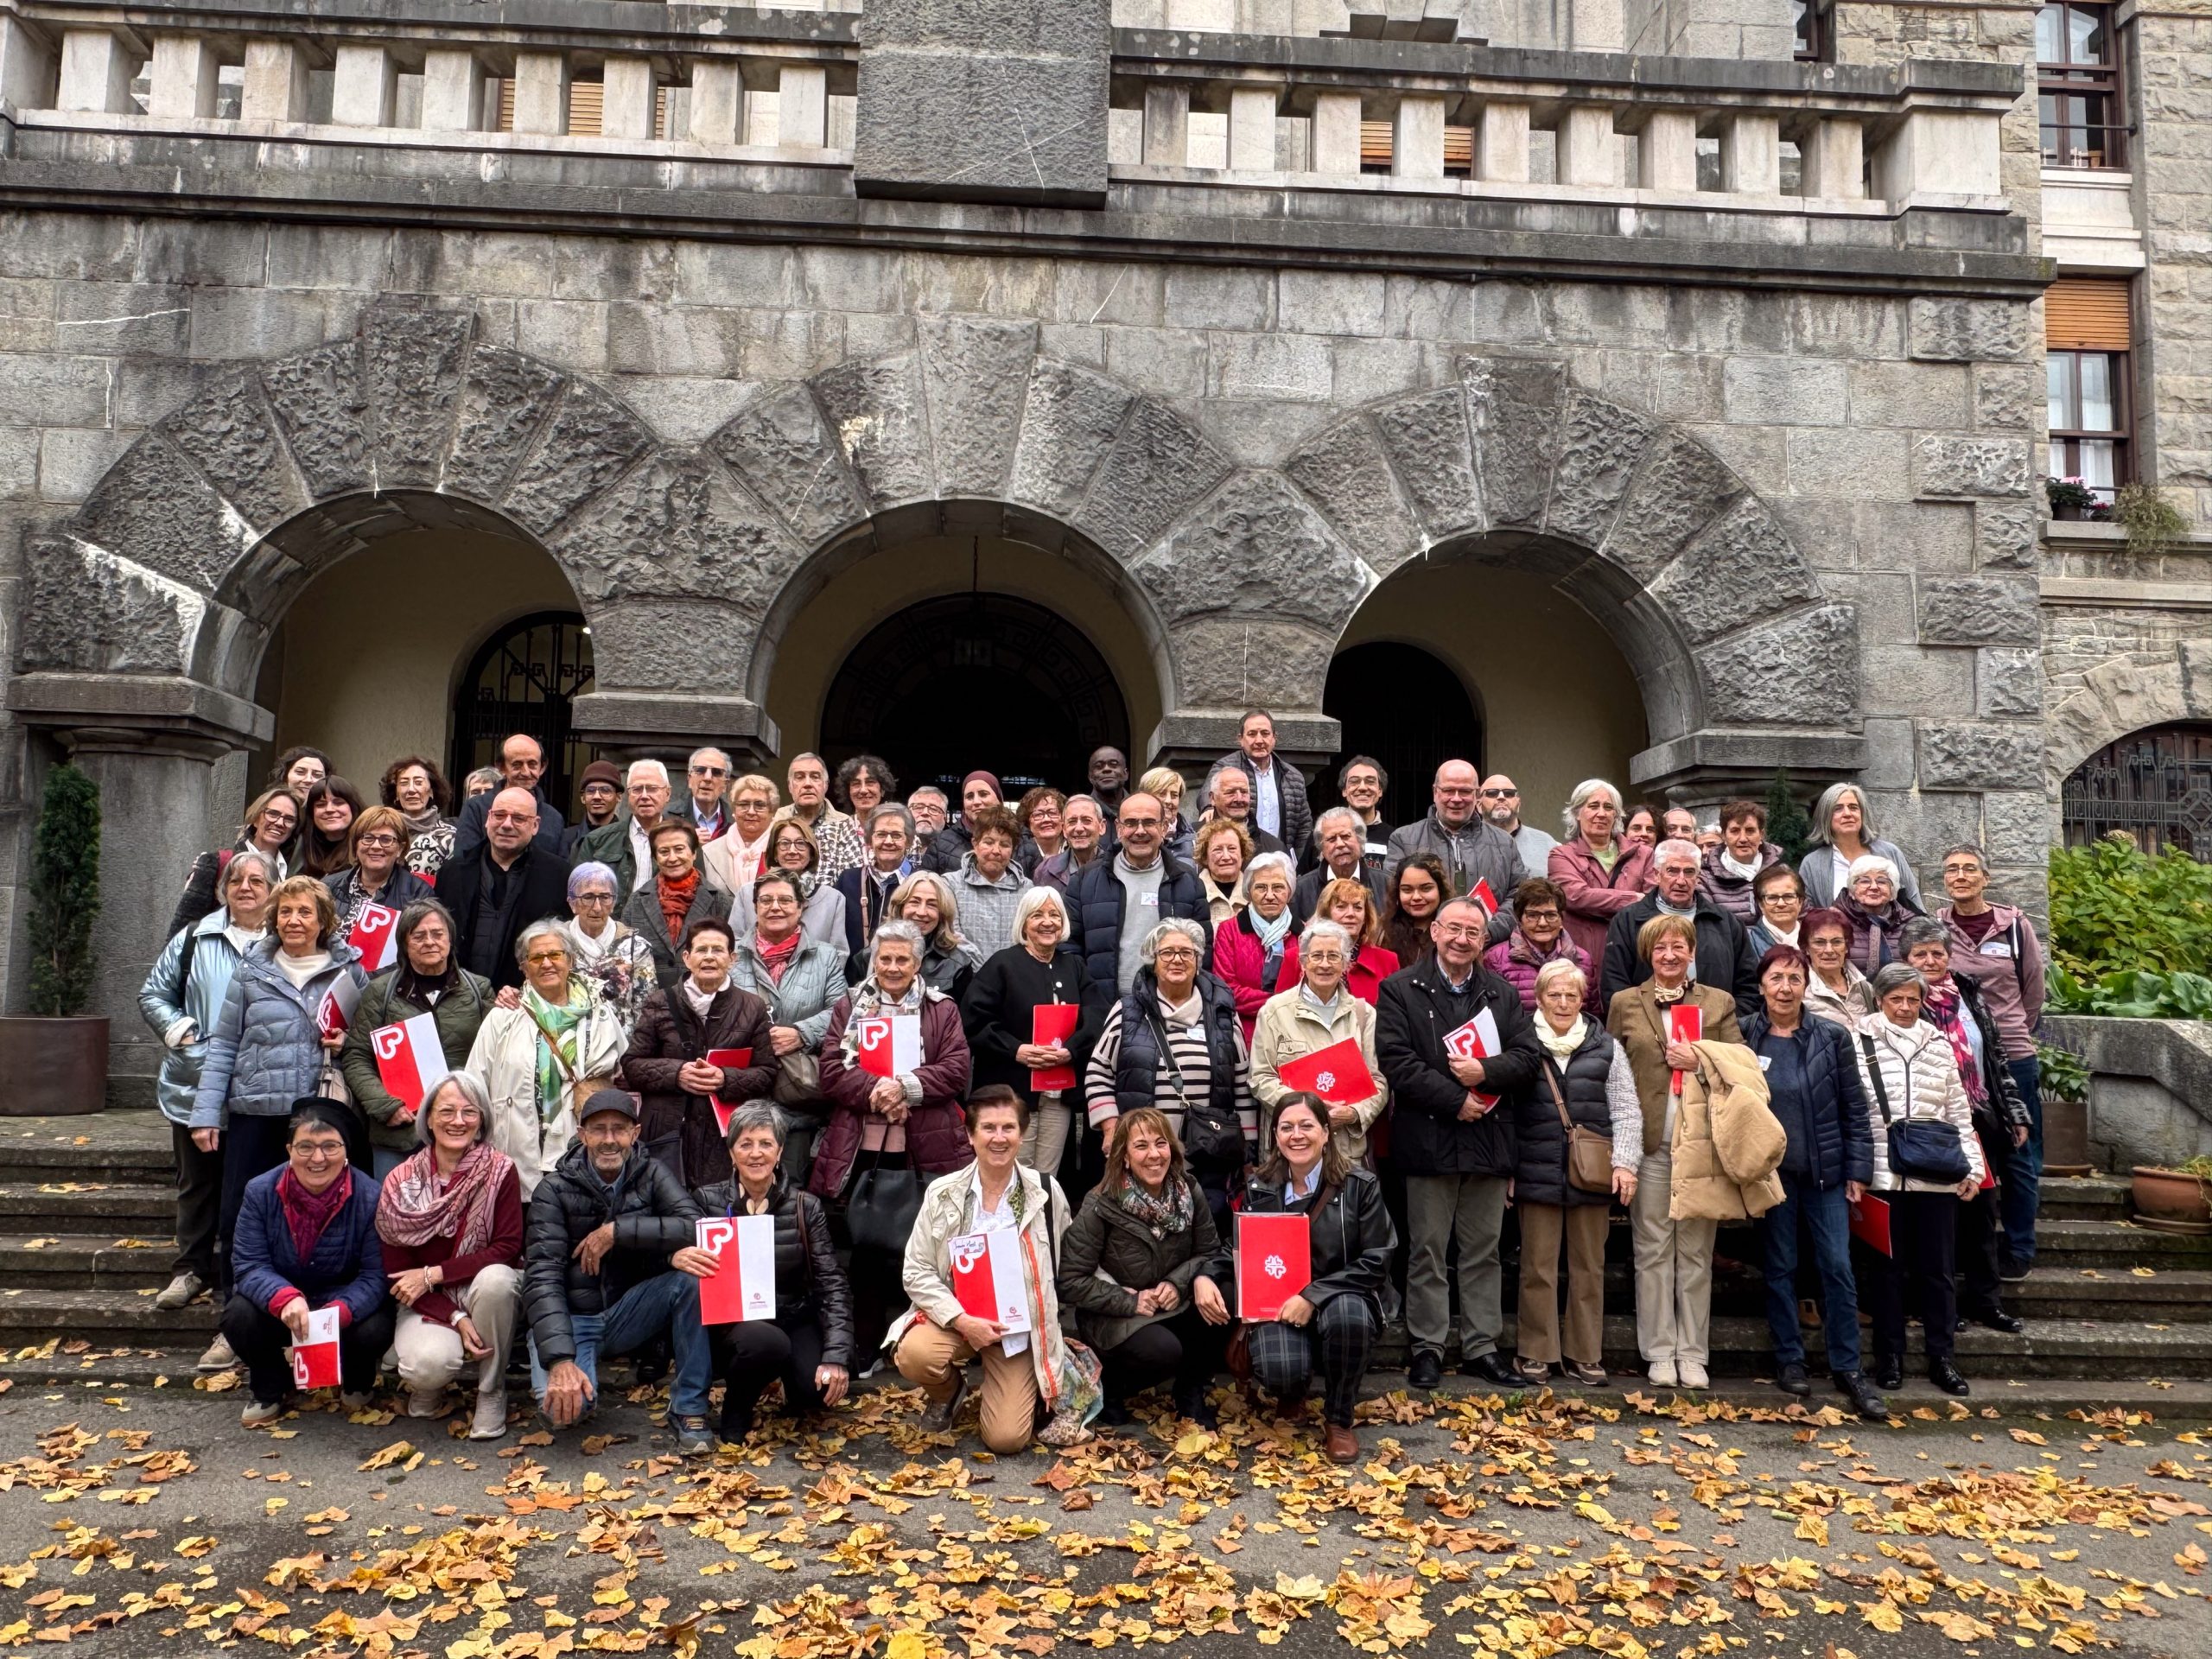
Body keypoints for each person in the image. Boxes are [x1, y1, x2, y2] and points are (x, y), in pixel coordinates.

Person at [190, 874, 370, 1363]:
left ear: (323, 920)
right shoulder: (251, 971)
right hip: (254, 1113)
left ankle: (318, 1324)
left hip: (317, 1117)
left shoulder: (350, 972)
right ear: (274, 917)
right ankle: (236, 1325)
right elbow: (224, 1043)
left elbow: (371, 1041)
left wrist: (345, 1042)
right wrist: (207, 1112)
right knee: (237, 1219)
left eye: (305, 912)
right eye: (286, 911)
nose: (294, 920)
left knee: (321, 1222)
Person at [1375, 897, 1539, 1389]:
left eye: (1473, 931)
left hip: (1489, 1141)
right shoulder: (1399, 988)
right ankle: (1427, 1346)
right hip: (1428, 1139)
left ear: (1484, 941)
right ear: (1435, 932)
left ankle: (1481, 1348)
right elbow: (1396, 1061)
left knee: (1483, 1250)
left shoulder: (1502, 994)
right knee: (1426, 1249)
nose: (1462, 939)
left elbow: (1529, 1058)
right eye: (1454, 929)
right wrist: (1454, 1099)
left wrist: (1484, 1073)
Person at [892, 1088, 1090, 1450]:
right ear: (971, 1136)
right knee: (915, 1355)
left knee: (1006, 1440)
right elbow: (916, 1270)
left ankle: (1011, 1390)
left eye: (1008, 1128)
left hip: (1017, 1331)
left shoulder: (1046, 1192)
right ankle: (949, 1394)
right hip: (958, 1321)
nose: (999, 1138)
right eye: (988, 1128)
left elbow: (1074, 1260)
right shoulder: (942, 1192)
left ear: (1022, 1134)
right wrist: (962, 1320)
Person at [523, 1087, 717, 1453]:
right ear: (582, 1136)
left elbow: (695, 1226)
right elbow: (542, 1278)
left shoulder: (651, 1172)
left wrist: (618, 1232)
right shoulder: (553, 1190)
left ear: (635, 1133)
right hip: (573, 1321)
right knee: (567, 1412)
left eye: (619, 1129)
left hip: (630, 1311)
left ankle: (690, 1407)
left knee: (692, 1278)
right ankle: (565, 1369)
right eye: (598, 1129)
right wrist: (560, 1359)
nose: (609, 1140)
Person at [812, 922, 976, 1356]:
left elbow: (956, 1070)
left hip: (926, 1148)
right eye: (885, 958)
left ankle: (912, 1344)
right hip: (864, 1145)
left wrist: (905, 1088)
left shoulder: (942, 1009)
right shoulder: (850, 1005)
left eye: (903, 959)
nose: (893, 967)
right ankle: (865, 1345)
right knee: (867, 1246)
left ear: (918, 963)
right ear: (873, 960)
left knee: (920, 1248)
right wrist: (879, 1094)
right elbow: (831, 1072)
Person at [1739, 946, 1885, 1420]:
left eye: (1794, 979)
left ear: (1806, 985)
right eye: (1776, 978)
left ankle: (1848, 1368)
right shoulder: (1744, 1035)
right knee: (1779, 1267)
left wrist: (1858, 1170)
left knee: (1837, 1267)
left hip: (1826, 1172)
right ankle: (1790, 1359)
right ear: (1762, 985)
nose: (1785, 988)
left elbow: (1854, 1106)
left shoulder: (1831, 1035)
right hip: (1771, 1175)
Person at [1605, 913, 1745, 1390]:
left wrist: (1700, 1058)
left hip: (1700, 1148)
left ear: (1691, 953)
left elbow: (1742, 1069)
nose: (1669, 955)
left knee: (1696, 1253)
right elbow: (1613, 1076)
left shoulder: (1719, 1003)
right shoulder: (1625, 1003)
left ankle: (1693, 1353)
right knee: (1651, 1249)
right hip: (1651, 1146)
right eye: (1660, 947)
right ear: (1648, 954)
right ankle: (1659, 1352)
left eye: (1678, 947)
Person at [141, 849, 276, 1314]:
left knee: (248, 1187)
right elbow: (154, 993)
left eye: (257, 881)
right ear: (224, 889)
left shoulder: (284, 942)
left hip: (259, 1087)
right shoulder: (196, 937)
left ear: (273, 890)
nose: (245, 888)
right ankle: (189, 1270)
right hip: (195, 1080)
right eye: (236, 880)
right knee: (197, 1182)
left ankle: (241, 1275)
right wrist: (181, 1032)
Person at [1235, 1092, 1395, 1464]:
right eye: (1286, 1127)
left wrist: (1313, 1294)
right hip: (1280, 1301)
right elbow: (1239, 1248)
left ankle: (1339, 1419)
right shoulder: (1259, 1187)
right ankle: (1292, 1394)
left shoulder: (1360, 1185)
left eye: (1307, 1126)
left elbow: (1378, 1258)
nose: (1297, 1135)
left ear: (1326, 1132)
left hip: (1344, 1296)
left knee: (1348, 1315)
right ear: (1275, 1136)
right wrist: (1207, 1277)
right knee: (1280, 1368)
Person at [1851, 961, 1986, 1397]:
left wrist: (1974, 1167)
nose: (1906, 1007)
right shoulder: (1858, 1040)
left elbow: (1958, 1112)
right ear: (1880, 1000)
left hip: (1936, 1174)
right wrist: (1857, 1170)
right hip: (1883, 1175)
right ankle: (1888, 1357)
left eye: (1913, 999)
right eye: (1897, 999)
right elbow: (1854, 1113)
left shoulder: (1939, 1044)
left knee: (1939, 1272)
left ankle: (1941, 1356)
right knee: (1886, 1272)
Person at [221, 1103, 394, 1425]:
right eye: (306, 1147)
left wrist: (340, 1310)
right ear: (289, 1150)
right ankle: (270, 1388)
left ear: (346, 1151)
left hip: (342, 1299)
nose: (318, 1158)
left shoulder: (371, 1195)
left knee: (377, 1325)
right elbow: (247, 1263)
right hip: (283, 1300)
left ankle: (357, 1381)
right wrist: (284, 1297)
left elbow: (376, 1274)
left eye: (330, 1146)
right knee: (238, 1313)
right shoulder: (260, 1191)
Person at [1897, 918, 2030, 1338]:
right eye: (1921, 954)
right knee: (1937, 1223)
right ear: (1906, 960)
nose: (1931, 961)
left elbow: (1995, 1056)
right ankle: (1939, 1306)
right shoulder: (1901, 1002)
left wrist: (2013, 1110)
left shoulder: (1969, 993)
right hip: (1928, 1125)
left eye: (1938, 953)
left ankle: (1987, 1302)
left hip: (1978, 1119)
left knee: (1981, 1217)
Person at [1511, 958, 1640, 1386]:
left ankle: (1585, 1353)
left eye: (1572, 994)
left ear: (1583, 998)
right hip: (1536, 1169)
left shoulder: (1605, 1045)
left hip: (1593, 1173)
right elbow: (1508, 1112)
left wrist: (1625, 1163)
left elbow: (1625, 1109)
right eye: (1554, 994)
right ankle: (1535, 1351)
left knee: (1589, 1267)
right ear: (1540, 997)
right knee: (1537, 1267)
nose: (1563, 1002)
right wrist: (1508, 1169)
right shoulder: (1522, 1042)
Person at [1058, 1107, 1230, 1425]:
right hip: (1115, 1312)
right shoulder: (1101, 1204)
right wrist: (1131, 1300)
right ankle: (1111, 1389)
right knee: (1161, 1351)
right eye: (1141, 1146)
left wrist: (1178, 1284)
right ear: (1124, 1156)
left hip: (1171, 1302)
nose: (1154, 1155)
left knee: (1225, 1293)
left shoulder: (1188, 1190)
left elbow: (1210, 1251)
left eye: (1161, 1144)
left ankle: (1190, 1392)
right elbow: (1069, 1280)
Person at [693, 1104, 854, 1441]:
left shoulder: (804, 1206)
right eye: (745, 1144)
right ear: (731, 1151)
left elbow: (832, 1283)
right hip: (735, 1326)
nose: (756, 1154)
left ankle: (790, 1382)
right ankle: (737, 1407)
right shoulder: (705, 1202)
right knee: (766, 1343)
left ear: (780, 1150)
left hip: (793, 1315)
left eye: (766, 1144)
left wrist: (836, 1356)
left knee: (817, 1393)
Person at [377, 1071, 523, 1438]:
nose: (458, 1121)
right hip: (430, 1301)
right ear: (428, 1117)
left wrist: (434, 1273)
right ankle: (430, 1382)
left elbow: (507, 1247)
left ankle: (491, 1390)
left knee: (498, 1280)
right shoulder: (399, 1180)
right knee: (427, 1365)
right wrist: (454, 1315)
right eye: (446, 1111)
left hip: (481, 1292)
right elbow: (398, 1273)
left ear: (482, 1120)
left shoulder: (500, 1171)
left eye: (469, 1112)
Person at [1084, 918, 1255, 1222]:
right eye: (1167, 953)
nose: (1177, 959)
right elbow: (1098, 1072)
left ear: (1198, 961)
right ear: (1153, 961)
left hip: (1208, 1160)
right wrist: (1111, 1128)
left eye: (1186, 953)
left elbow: (1242, 1085)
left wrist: (1248, 1151)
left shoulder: (1223, 1014)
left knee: (1204, 1235)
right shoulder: (1128, 1011)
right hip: (1141, 1157)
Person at [1936, 843, 2047, 1279]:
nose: (1960, 876)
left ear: (1985, 877)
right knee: (1965, 1150)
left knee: (2020, 1153)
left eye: (1969, 869)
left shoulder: (2014, 926)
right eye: (1952, 870)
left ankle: (2019, 1248)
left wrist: (2007, 1030)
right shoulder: (1937, 927)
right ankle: (1968, 1249)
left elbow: (2033, 990)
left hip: (2012, 1056)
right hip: (1958, 1055)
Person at [465, 918, 626, 1195]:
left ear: (571, 960)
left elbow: (620, 1073)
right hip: (515, 1155)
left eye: (555, 954)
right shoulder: (503, 1016)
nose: (547, 963)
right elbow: (473, 1086)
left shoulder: (599, 1013)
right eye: (536, 957)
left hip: (579, 1154)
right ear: (523, 968)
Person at [340, 899, 492, 1178]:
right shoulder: (379, 993)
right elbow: (356, 1056)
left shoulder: (478, 990)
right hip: (399, 1133)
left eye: (437, 934)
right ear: (404, 944)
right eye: (418, 936)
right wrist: (386, 1107)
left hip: (462, 1129)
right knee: (395, 1217)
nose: (430, 942)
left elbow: (498, 1056)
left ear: (450, 939)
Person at [623, 918, 778, 1190]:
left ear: (732, 958)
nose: (709, 957)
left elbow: (767, 1072)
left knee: (718, 1211)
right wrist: (677, 1074)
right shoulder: (660, 1002)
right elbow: (632, 1065)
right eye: (701, 950)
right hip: (668, 1133)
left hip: (725, 1135)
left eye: (717, 950)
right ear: (687, 957)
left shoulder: (752, 1007)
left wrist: (725, 1079)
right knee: (669, 1212)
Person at [727, 872, 852, 1185]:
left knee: (790, 1186)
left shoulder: (824, 956)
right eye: (766, 900)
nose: (775, 907)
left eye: (785, 900)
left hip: (797, 1094)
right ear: (754, 907)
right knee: (737, 1187)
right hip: (743, 1088)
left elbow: (843, 1012)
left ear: (801, 907)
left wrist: (800, 1033)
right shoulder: (732, 955)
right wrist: (758, 1038)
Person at [962, 888, 1086, 1177]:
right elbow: (974, 1020)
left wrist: (1072, 1049)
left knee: (1046, 1177)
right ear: (1024, 922)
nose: (1047, 922)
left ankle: (1040, 1223)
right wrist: (1015, 1049)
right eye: (1038, 915)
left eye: (1054, 914)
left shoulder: (1075, 967)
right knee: (1013, 1173)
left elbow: (1094, 1017)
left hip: (1057, 1092)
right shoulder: (1002, 964)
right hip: (1012, 1093)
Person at [1249, 919, 1387, 1167]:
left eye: (1334, 956)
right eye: (1316, 956)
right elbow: (1260, 1079)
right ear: (1303, 962)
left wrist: (1354, 1113)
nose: (1324, 964)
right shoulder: (1275, 1011)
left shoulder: (1363, 1014)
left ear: (1345, 964)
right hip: (1291, 1150)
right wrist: (1307, 1110)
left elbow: (1379, 1082)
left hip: (1346, 1151)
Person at [1062, 792, 1211, 1017]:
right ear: (1119, 828)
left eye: (1149, 822)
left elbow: (1202, 950)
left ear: (1164, 827)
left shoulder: (1187, 881)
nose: (1139, 831)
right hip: (1102, 1010)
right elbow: (1070, 947)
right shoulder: (1085, 880)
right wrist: (1087, 1001)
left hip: (1169, 1010)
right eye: (1131, 823)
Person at [1598, 839, 1760, 1017]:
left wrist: (1725, 1023)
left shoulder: (1726, 922)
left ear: (1698, 877)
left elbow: (1748, 986)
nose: (1681, 880)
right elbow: (1614, 986)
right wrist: (1643, 1030)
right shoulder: (1628, 921)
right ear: (1657, 875)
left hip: (1715, 1035)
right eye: (1672, 871)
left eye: (1689, 872)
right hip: (1648, 1036)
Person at [434, 787, 571, 992]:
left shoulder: (559, 876)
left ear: (535, 825)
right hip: (458, 997)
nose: (507, 824)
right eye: (499, 815)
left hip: (526, 1001)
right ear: (488, 819)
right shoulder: (453, 873)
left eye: (518, 818)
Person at [1387, 760, 1525, 911]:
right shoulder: (1403, 839)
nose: (1457, 799)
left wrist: (1491, 931)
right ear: (1435, 793)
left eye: (1465, 791)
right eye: (1448, 791)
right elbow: (1393, 895)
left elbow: (1518, 895)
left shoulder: (1504, 842)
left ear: (1477, 795)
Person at [1548, 778, 1652, 965]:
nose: (1601, 813)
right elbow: (1576, 897)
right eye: (1594, 806)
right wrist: (1633, 899)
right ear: (1577, 813)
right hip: (1582, 957)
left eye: (1608, 807)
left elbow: (1652, 903)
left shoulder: (1643, 854)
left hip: (1633, 954)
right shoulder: (1561, 856)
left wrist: (1598, 902)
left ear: (1616, 815)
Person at [169, 788, 297, 939]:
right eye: (273, 814)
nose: (280, 822)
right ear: (256, 818)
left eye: (289, 819)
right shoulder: (217, 862)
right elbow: (183, 925)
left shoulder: (294, 873)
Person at [621, 820, 734, 991]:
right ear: (655, 858)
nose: (672, 858)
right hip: (649, 1002)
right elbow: (623, 958)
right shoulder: (636, 903)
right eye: (664, 851)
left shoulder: (720, 901)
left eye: (679, 849)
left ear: (694, 853)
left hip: (706, 998)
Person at [559, 862, 658, 1039]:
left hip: (621, 1048)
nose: (597, 907)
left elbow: (646, 1011)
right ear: (572, 903)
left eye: (605, 897)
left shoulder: (637, 948)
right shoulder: (556, 944)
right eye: (588, 897)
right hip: (566, 1044)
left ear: (613, 903)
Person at [1215, 851, 1303, 1041]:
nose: (1269, 895)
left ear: (1289, 892)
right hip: (1243, 1034)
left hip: (1295, 1032)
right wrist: (1280, 1003)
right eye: (1261, 887)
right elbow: (1227, 990)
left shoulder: (1304, 934)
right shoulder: (1229, 931)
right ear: (1248, 892)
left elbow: (1308, 991)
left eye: (1278, 887)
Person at [1484, 876, 1599, 1017]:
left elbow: (1593, 1017)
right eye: (1533, 915)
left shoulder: (1582, 959)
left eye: (1550, 915)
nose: (1543, 923)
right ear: (1519, 919)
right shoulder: (1496, 959)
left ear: (1562, 918)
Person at [1800, 783, 1923, 912]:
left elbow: (1914, 902)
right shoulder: (1812, 864)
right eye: (1838, 808)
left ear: (1862, 814)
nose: (1847, 814)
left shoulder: (1890, 853)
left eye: (1853, 807)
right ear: (1826, 817)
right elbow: (1807, 916)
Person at [730, 818, 848, 949]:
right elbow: (734, 944)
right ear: (774, 853)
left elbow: (839, 952)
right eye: (784, 843)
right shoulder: (747, 894)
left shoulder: (832, 899)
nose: (792, 851)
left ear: (811, 852)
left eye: (800, 843)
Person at [574, 760, 677, 909]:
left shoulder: (684, 841)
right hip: (611, 928)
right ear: (628, 795)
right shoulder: (597, 840)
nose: (644, 796)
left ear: (667, 793)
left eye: (652, 789)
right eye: (637, 789)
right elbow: (579, 893)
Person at [1215, 709, 1312, 864]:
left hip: (1281, 862)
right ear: (1240, 739)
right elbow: (1209, 792)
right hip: (1238, 862)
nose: (1259, 740)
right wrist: (1207, 808)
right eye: (1252, 734)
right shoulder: (1225, 767)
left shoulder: (1293, 777)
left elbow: (1304, 829)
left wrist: (1300, 866)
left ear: (1274, 738)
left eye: (1265, 733)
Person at [449, 734, 566, 859]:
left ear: (542, 767)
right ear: (501, 767)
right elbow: (463, 860)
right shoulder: (476, 808)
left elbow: (559, 868)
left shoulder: (554, 818)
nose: (526, 772)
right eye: (517, 765)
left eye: (532, 764)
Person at [324, 805, 435, 937]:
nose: (376, 846)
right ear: (356, 845)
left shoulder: (419, 893)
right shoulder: (327, 887)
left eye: (386, 840)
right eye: (368, 838)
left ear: (400, 848)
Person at [892, 870, 985, 1001]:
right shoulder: (869, 957)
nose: (922, 912)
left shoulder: (958, 965)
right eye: (915, 902)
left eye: (932, 904)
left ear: (942, 914)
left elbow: (960, 1019)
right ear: (900, 907)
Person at [772, 753, 865, 880]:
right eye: (799, 777)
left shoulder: (846, 825)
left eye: (815, 777)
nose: (807, 784)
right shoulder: (774, 821)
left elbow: (852, 876)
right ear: (789, 786)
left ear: (826, 784)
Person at [836, 805, 914, 957]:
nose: (888, 841)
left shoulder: (920, 883)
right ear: (869, 840)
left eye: (897, 835)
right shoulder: (848, 881)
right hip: (853, 976)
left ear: (908, 841)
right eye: (881, 834)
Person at [951, 804, 1027, 959]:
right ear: (975, 843)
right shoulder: (951, 884)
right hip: (966, 978)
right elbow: (952, 934)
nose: (996, 851)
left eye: (1005, 844)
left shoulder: (1027, 889)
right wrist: (984, 973)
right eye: (989, 842)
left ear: (1013, 849)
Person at [1697, 800, 1784, 929]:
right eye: (1735, 831)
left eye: (1750, 831)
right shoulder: (1706, 880)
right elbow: (1710, 930)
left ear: (1761, 835)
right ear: (1724, 836)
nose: (1743, 839)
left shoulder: (1782, 873)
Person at [1313, 879, 1400, 1006]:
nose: (1351, 914)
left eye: (1358, 907)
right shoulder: (1297, 957)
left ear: (1366, 917)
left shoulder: (1387, 961)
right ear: (1326, 914)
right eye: (1341, 907)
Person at [1294, 808, 1387, 921]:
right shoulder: (1301, 889)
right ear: (1321, 848)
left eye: (1346, 836)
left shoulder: (1386, 884)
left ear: (1360, 839)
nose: (1340, 844)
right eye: (1331, 839)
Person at [702, 774, 781, 897]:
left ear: (772, 811)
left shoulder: (784, 849)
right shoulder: (710, 851)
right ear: (734, 809)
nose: (751, 811)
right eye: (743, 805)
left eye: (759, 805)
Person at [381, 755, 457, 879]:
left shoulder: (450, 837)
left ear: (431, 791)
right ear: (396, 794)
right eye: (404, 783)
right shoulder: (381, 832)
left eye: (418, 782)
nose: (411, 790)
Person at [1834, 855, 1911, 976]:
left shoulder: (1911, 924)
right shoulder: (1832, 920)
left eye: (1882, 881)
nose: (1874, 887)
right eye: (1864, 881)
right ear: (1852, 891)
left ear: (1893, 891)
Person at [918, 771, 1002, 874]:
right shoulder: (941, 843)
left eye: (983, 794)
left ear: (999, 799)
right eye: (969, 797)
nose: (976, 802)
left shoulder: (1021, 839)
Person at [1379, 853, 1449, 969]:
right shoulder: (1380, 931)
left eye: (1426, 888)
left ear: (1440, 890)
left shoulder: (1455, 931)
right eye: (1407, 890)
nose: (1416, 897)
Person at [1481, 774, 1556, 877]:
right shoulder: (1467, 842)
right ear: (1478, 805)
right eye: (1492, 793)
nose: (1501, 797)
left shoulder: (1547, 843)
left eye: (1509, 794)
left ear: (1519, 803)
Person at [1202, 766, 1285, 858]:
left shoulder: (1275, 849)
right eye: (1230, 792)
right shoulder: (1193, 840)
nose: (1239, 799)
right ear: (1212, 798)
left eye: (1244, 792)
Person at [1033, 794, 1108, 893]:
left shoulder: (1115, 868)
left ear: (1102, 827)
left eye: (1086, 821)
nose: (1079, 828)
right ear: (1064, 829)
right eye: (1072, 822)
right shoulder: (1045, 871)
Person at [297, 776, 365, 880]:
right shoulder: (299, 848)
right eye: (321, 804)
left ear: (353, 807)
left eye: (338, 803)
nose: (329, 809)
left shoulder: (366, 848)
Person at [1337, 756, 1393, 870]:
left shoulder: (1396, 838)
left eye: (1370, 781)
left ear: (1380, 790)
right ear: (1344, 791)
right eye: (1354, 782)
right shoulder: (1326, 835)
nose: (1362, 787)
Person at [1196, 817, 1253, 930]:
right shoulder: (1194, 893)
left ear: (1242, 854)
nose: (1226, 857)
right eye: (1217, 850)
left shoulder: (1254, 892)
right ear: (1205, 857)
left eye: (1232, 849)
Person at [561, 760, 624, 860]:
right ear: (583, 797)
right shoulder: (566, 838)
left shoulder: (628, 839)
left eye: (605, 790)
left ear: (619, 797)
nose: (597, 796)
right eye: (591, 791)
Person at [1747, 864, 1808, 956]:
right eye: (1772, 898)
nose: (1781, 904)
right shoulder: (1746, 942)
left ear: (1800, 902)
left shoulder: (1815, 940)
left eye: (1788, 896)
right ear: (1761, 905)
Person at [1136, 766, 1193, 862]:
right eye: (1162, 794)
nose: (1168, 800)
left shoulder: (1195, 841)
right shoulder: (1131, 835)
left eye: (1174, 795)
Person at [680, 747, 733, 842]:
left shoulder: (737, 821)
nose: (708, 778)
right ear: (689, 780)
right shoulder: (667, 818)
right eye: (700, 770)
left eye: (717, 772)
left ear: (725, 785)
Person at [1015, 787, 1067, 874]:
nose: (1046, 819)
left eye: (1052, 813)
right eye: (1038, 814)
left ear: (1063, 818)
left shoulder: (1074, 849)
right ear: (1027, 821)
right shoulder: (1017, 854)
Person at [836, 755, 897, 823]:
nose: (863, 790)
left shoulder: (897, 828)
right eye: (856, 784)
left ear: (882, 790)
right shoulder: (834, 830)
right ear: (848, 791)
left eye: (870, 782)